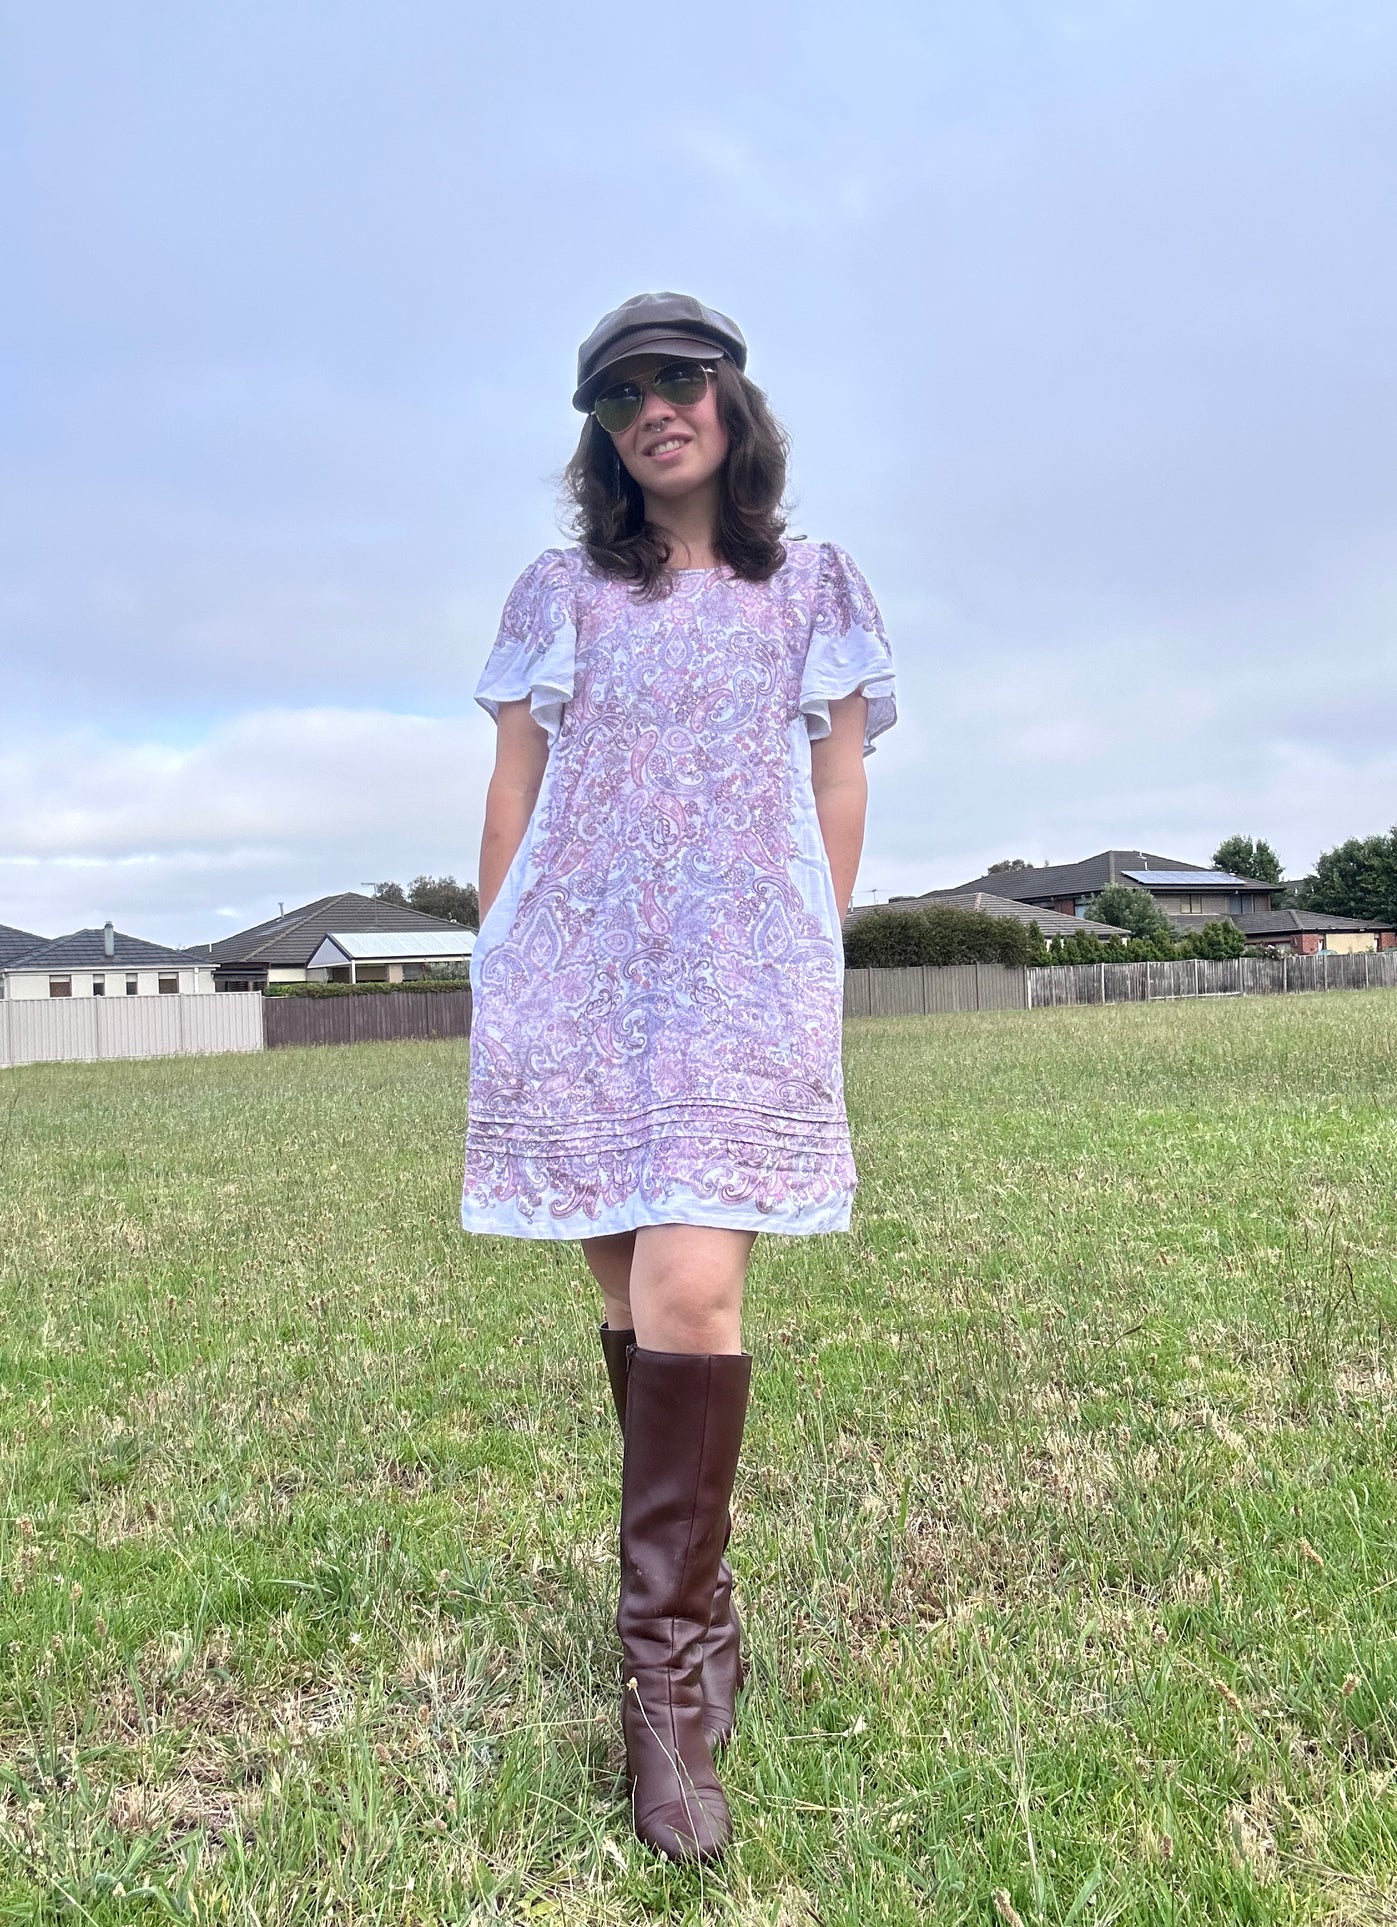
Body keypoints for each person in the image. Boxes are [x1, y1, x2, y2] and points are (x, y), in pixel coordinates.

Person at [462, 292, 897, 1863]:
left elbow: (836, 776)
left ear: (729, 399)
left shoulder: (811, 585)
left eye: (678, 381)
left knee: (690, 1293)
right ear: (600, 431)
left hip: (737, 975)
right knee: (625, 1298)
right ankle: (700, 1625)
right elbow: (513, 784)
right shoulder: (560, 589)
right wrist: (504, 959)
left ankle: (661, 1693)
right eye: (620, 394)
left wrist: (805, 945)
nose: (653, 408)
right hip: (577, 973)